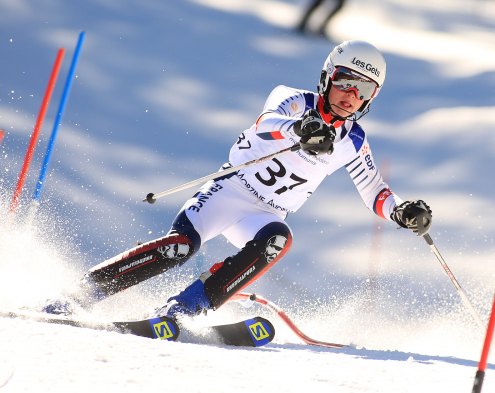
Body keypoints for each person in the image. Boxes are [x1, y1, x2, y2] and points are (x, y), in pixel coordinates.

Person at [43, 40, 433, 320]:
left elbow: (375, 192)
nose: (351, 94)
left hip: (262, 213)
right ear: (327, 77)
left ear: (371, 98)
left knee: (278, 238)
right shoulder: (294, 100)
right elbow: (267, 123)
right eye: (346, 80)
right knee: (179, 248)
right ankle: (81, 293)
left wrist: (402, 212)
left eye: (363, 89)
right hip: (227, 192)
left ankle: (183, 309)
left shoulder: (353, 141)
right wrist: (299, 129)